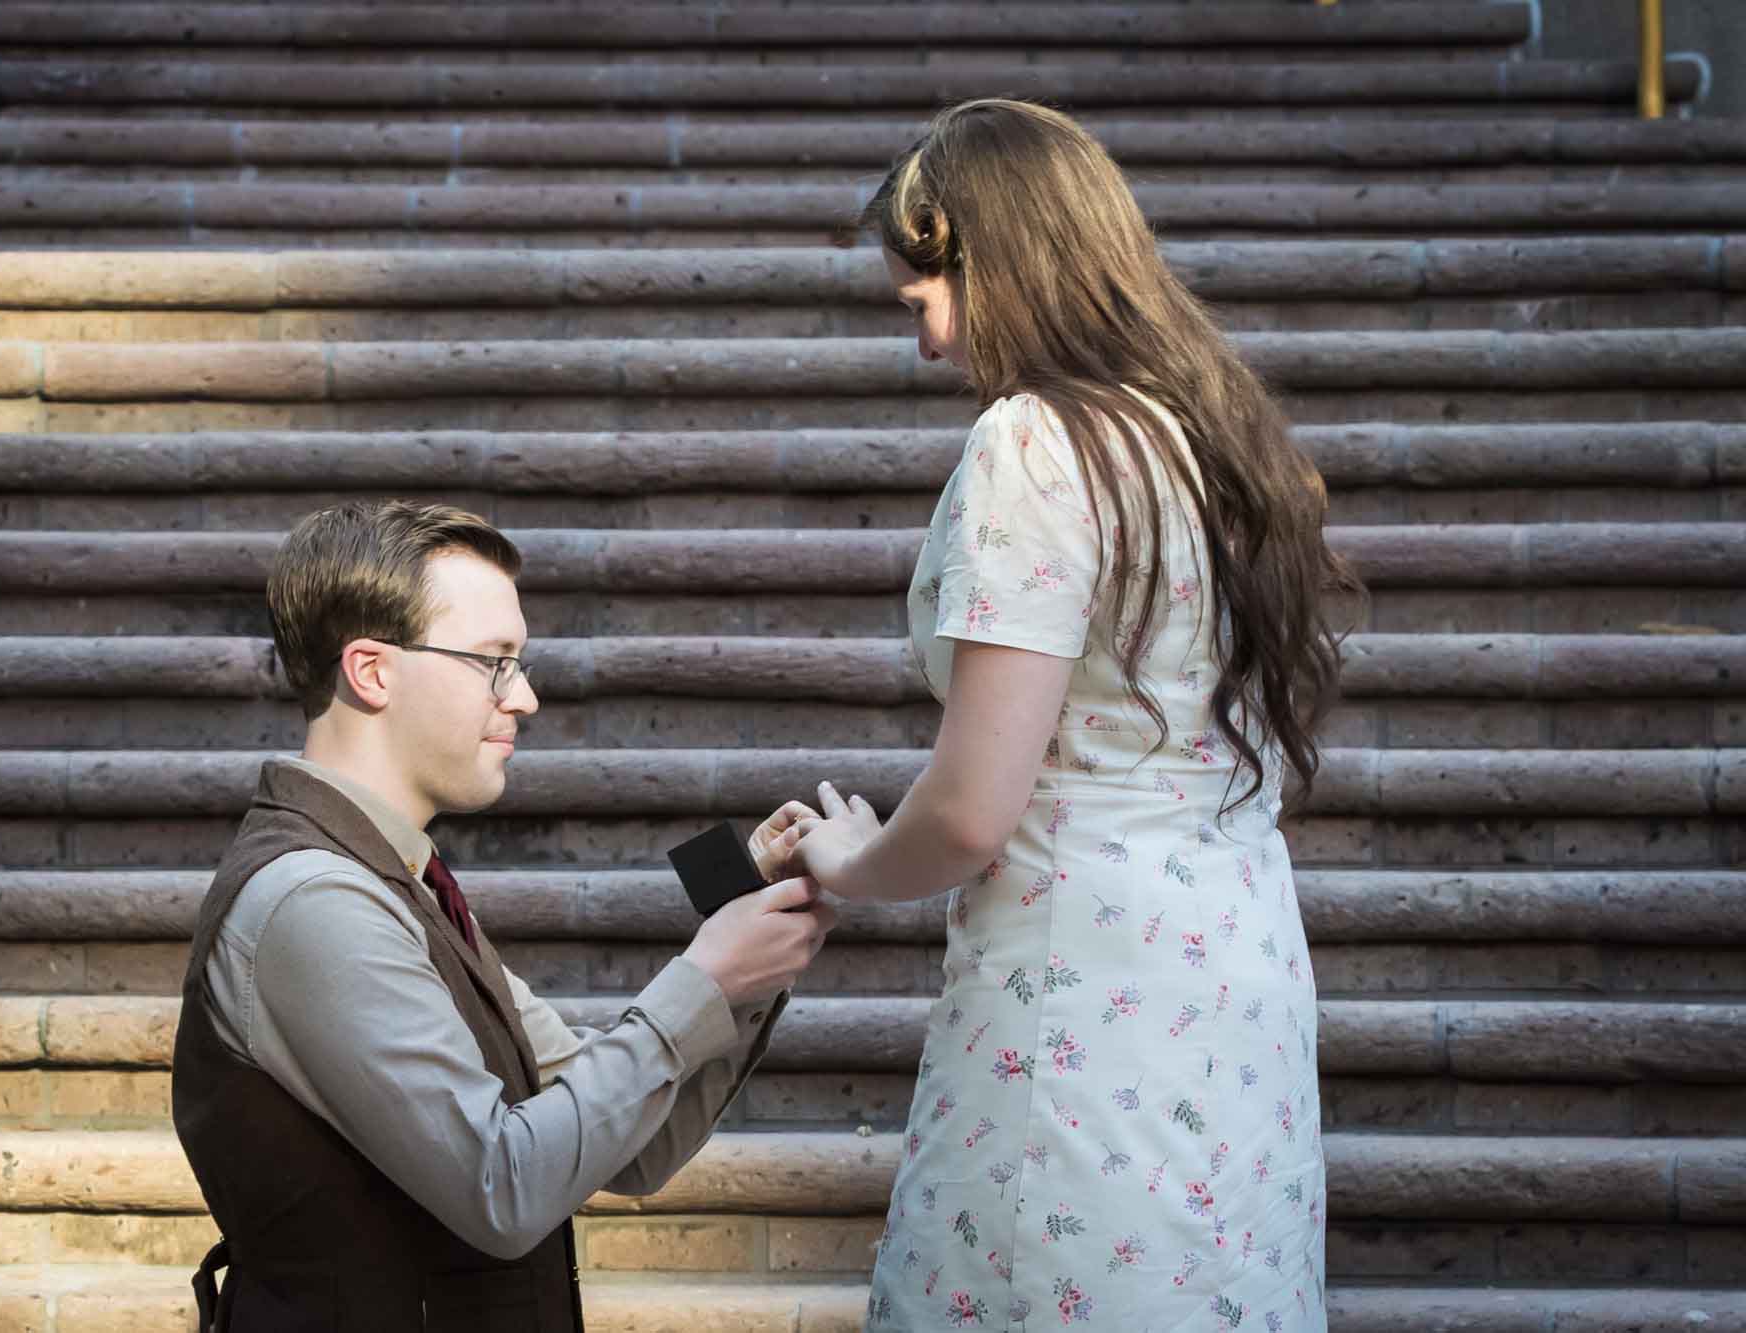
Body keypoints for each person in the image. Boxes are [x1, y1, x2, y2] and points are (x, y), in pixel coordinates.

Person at [774, 100, 1360, 1331]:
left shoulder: (1036, 442)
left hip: (1082, 975)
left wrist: (851, 860)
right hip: (1229, 952)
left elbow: (973, 807)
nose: (925, 343)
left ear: (999, 265)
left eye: (919, 300)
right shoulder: (1205, 433)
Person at [171, 500, 837, 1332]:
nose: (525, 697)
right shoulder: (316, 900)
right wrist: (704, 976)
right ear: (372, 671)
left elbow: (626, 1146)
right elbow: (505, 1185)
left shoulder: (396, 878)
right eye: (495, 661)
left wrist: (748, 955)